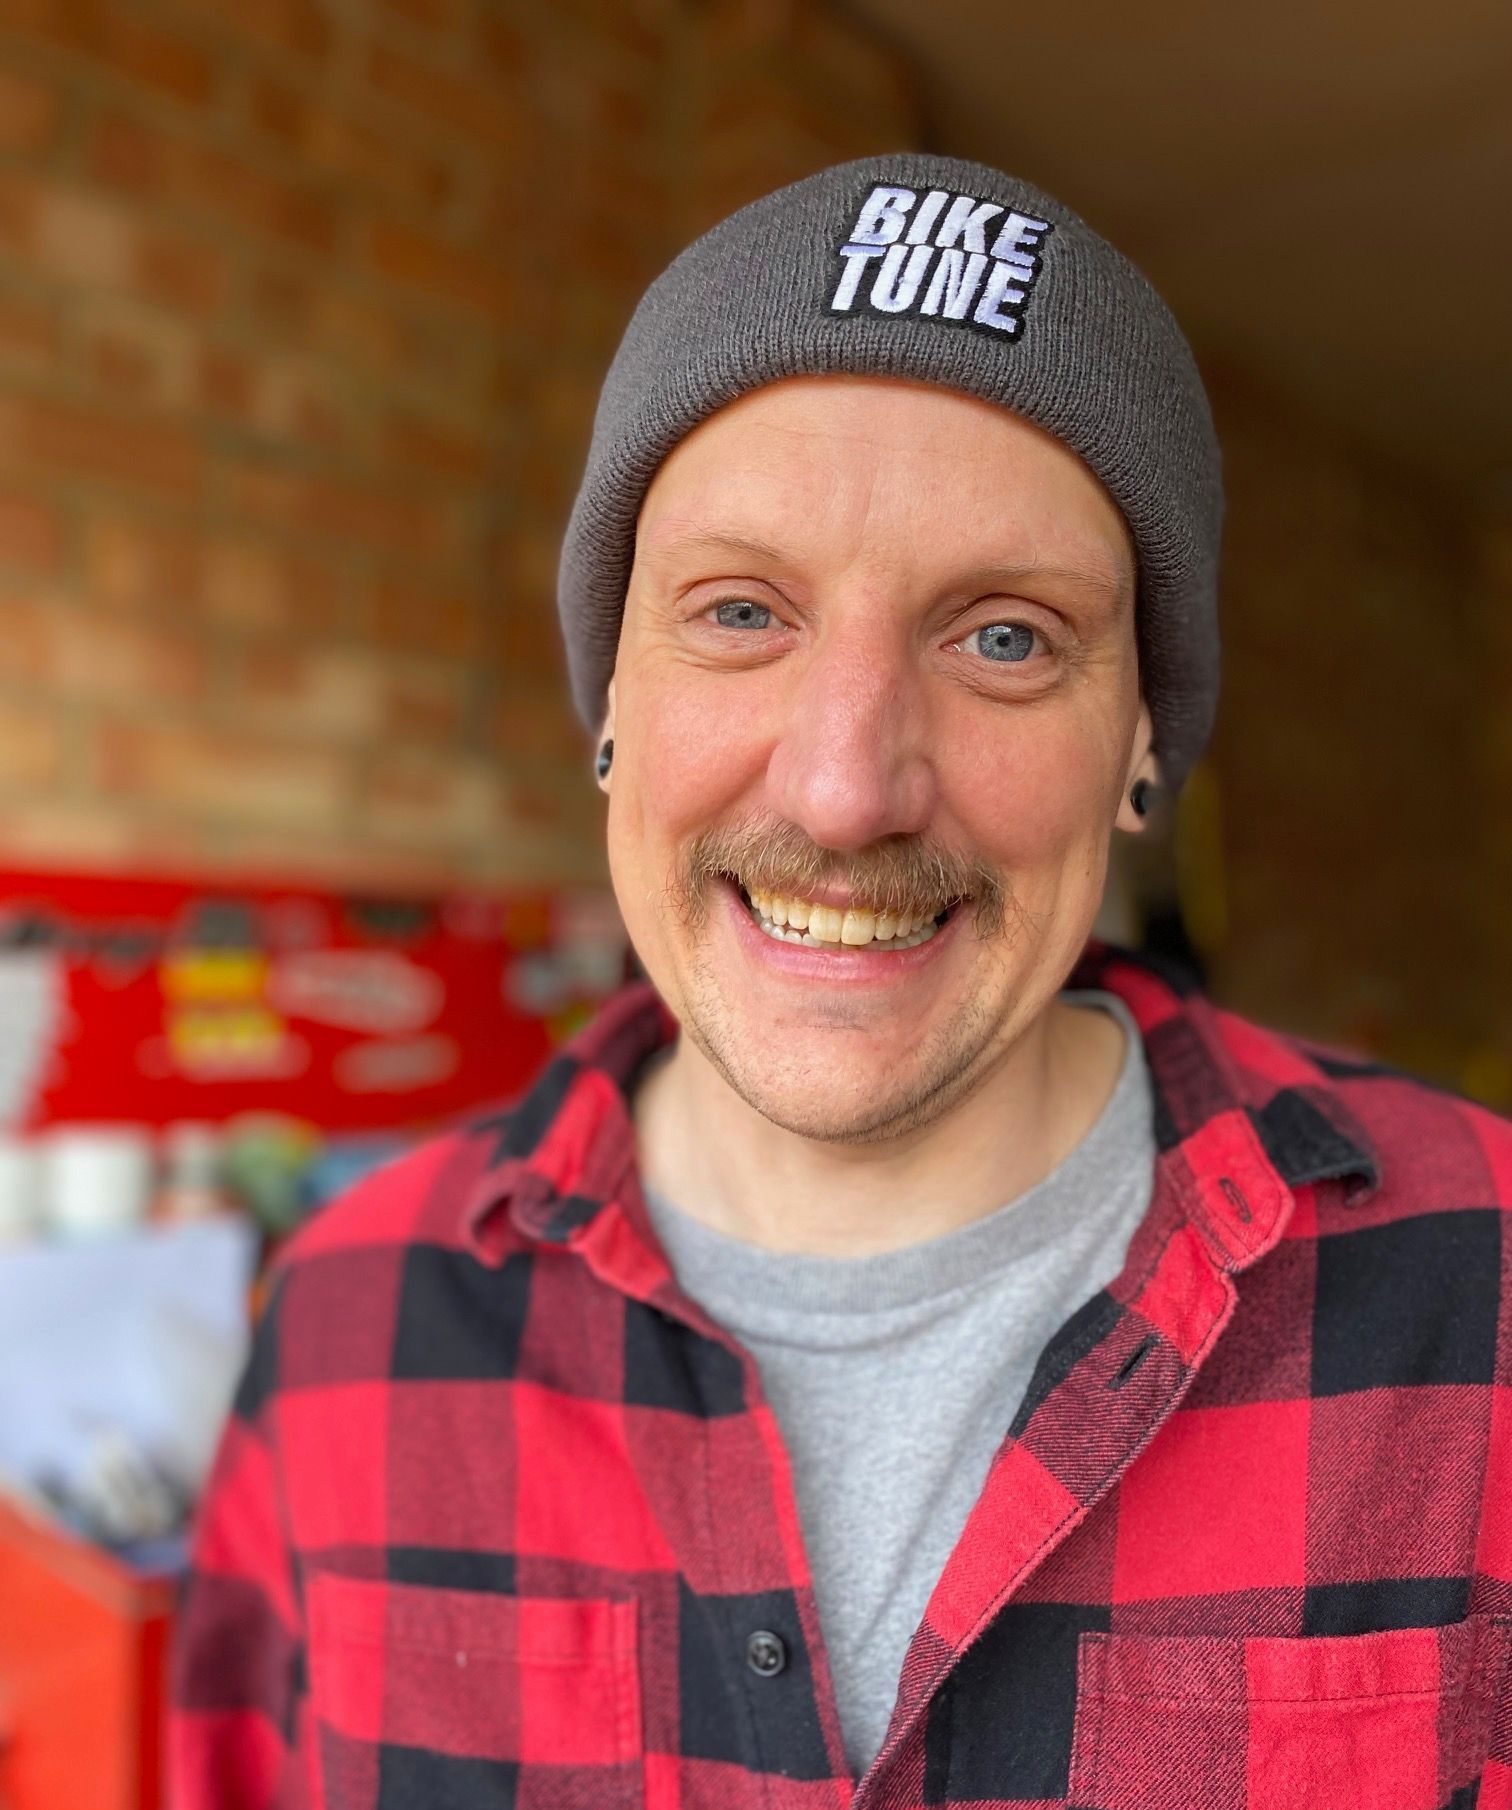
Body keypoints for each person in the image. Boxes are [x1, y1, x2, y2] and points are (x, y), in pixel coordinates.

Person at [169, 154, 1512, 1810]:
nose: (843, 789)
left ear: (1142, 744)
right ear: (611, 704)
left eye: (1005, 636)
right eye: (742, 610)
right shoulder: (346, 1325)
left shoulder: (1487, 1296)